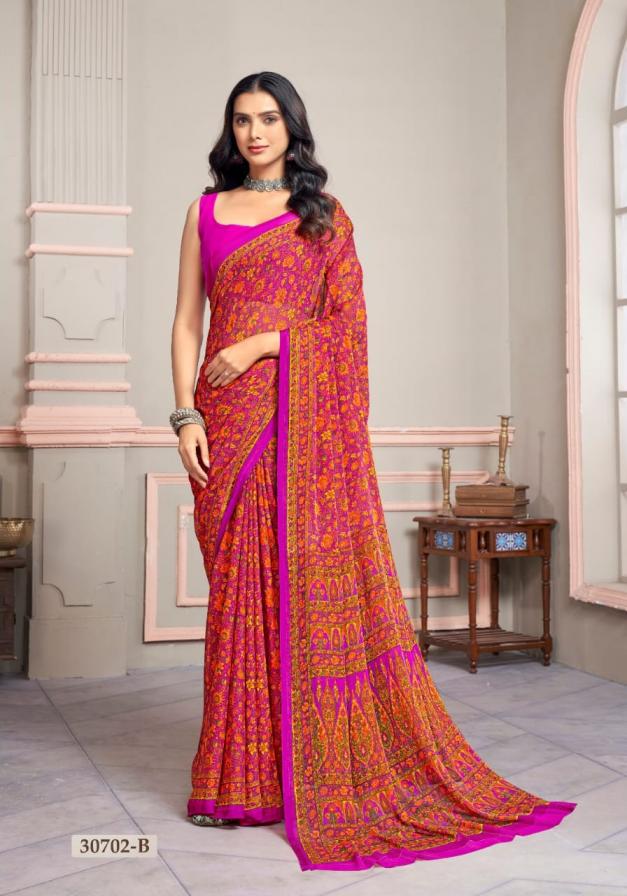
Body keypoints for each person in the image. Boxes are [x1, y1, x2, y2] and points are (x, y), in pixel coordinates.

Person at [170, 70, 576, 873]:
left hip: (296, 424)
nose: (255, 132)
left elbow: (347, 332)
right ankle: (235, 780)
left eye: (268, 118)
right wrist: (184, 415)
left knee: (293, 595)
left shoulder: (322, 217)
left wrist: (263, 344)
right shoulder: (204, 211)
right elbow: (186, 321)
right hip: (224, 424)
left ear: (291, 127)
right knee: (237, 602)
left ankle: (296, 774)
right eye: (242, 119)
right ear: (230, 130)